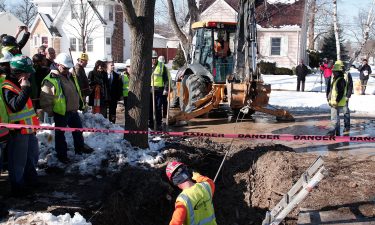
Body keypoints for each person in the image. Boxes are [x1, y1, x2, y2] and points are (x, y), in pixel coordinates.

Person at [40, 53, 93, 164]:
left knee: (78, 131)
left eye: (68, 68)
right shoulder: (50, 79)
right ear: (57, 64)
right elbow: (46, 99)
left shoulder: (68, 76)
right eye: (65, 68)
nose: (67, 70)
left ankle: (79, 148)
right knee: (60, 136)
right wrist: (51, 112)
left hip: (73, 111)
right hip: (61, 113)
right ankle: (62, 155)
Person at [1, 55, 40, 196]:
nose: (29, 75)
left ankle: (31, 179)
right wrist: (25, 89)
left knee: (31, 157)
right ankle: (17, 186)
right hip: (17, 130)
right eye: (27, 72)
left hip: (28, 129)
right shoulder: (8, 86)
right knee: (18, 161)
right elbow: (15, 106)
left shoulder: (21, 83)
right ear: (19, 72)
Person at [326, 60, 353, 136]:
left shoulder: (346, 75)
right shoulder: (333, 76)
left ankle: (346, 127)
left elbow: (350, 86)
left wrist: (348, 95)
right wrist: (328, 97)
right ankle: (337, 131)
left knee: (345, 112)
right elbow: (329, 87)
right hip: (334, 99)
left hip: (343, 98)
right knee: (335, 115)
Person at [149, 50, 169, 130]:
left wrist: (165, 89)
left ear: (157, 58)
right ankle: (151, 123)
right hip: (150, 90)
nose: (153, 60)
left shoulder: (162, 66)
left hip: (159, 90)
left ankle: (159, 123)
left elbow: (166, 79)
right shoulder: (147, 66)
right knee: (150, 107)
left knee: (158, 107)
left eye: (155, 58)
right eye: (152, 58)